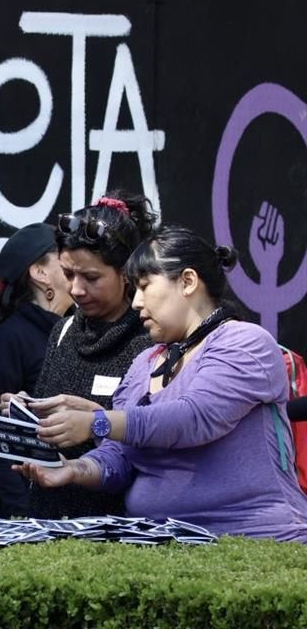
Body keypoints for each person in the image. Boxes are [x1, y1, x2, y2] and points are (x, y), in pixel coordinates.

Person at [17, 226, 307, 541]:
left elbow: (193, 418)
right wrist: (73, 469)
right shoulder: (144, 363)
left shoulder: (245, 341)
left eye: (144, 286)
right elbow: (120, 457)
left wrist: (96, 422)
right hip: (159, 545)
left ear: (188, 281)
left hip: (253, 540)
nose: (137, 302)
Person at [0, 192, 156, 519]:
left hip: (117, 528)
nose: (76, 290)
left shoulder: (151, 338)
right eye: (69, 274)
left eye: (91, 278)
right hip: (50, 520)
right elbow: (50, 418)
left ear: (127, 272)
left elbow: (157, 445)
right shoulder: (65, 329)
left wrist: (96, 421)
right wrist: (27, 412)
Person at [0, 223, 72, 518]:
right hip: (15, 524)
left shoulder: (74, 333)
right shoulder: (7, 340)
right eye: (64, 256)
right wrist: (27, 520)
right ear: (39, 273)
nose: (76, 263)